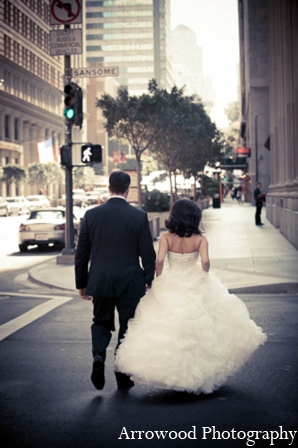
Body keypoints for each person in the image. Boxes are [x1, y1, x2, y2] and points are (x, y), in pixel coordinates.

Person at [115, 198, 267, 395]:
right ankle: (199, 373)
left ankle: (170, 371)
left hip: (172, 278)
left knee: (168, 327)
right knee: (204, 328)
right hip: (194, 279)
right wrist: (203, 275)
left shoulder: (167, 238)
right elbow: (205, 262)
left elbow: (159, 260)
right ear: (195, 216)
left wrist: (159, 279)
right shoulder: (200, 239)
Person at [75, 171, 156, 391]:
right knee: (127, 326)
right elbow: (147, 253)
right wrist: (148, 278)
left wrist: (82, 283)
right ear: (128, 190)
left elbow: (81, 253)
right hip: (129, 281)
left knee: (100, 322)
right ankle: (122, 374)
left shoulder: (91, 215)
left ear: (108, 188)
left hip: (100, 280)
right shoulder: (138, 216)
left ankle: (99, 358)